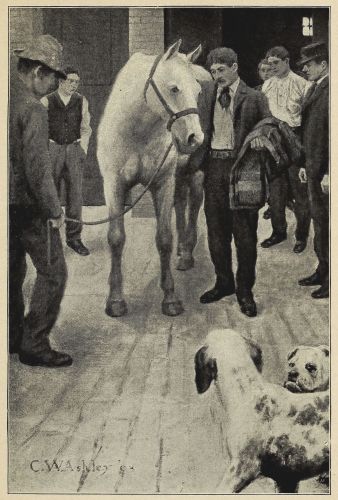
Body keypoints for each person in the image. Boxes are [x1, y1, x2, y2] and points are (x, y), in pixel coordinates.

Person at [9, 35, 72, 366]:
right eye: (52, 78)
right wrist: (54, 210)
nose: (53, 85)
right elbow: (37, 169)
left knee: (10, 270)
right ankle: (33, 343)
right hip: (29, 207)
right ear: (36, 72)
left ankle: (11, 336)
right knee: (54, 273)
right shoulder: (32, 108)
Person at [198, 47, 270, 317]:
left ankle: (245, 291)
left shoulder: (254, 96)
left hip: (245, 169)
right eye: (213, 71)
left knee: (245, 236)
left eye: (221, 70)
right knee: (216, 233)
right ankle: (223, 283)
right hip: (214, 167)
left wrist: (261, 134)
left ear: (235, 67)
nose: (217, 76)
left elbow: (270, 123)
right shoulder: (206, 95)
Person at [261, 46, 312, 253]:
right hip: (274, 140)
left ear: (286, 61)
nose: (272, 67)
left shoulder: (303, 85)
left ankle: (301, 236)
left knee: (300, 193)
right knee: (276, 192)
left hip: (295, 139)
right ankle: (278, 232)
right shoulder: (267, 86)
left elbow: (308, 121)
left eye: (276, 63)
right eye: (269, 63)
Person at [41, 67, 92, 256]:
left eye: (76, 82)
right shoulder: (46, 101)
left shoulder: (81, 101)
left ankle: (74, 239)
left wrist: (82, 148)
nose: (74, 85)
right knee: (50, 196)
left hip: (73, 150)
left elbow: (86, 128)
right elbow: (39, 130)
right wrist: (46, 151)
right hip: (52, 150)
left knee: (75, 197)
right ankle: (51, 241)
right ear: (61, 81)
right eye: (70, 81)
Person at [297, 42, 329, 299]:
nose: (305, 69)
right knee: (320, 222)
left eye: (309, 64)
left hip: (326, 172)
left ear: (324, 65)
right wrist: (304, 165)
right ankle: (323, 270)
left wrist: (330, 172)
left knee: (329, 225)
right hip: (314, 168)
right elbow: (308, 132)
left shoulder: (331, 90)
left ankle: (331, 279)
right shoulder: (316, 88)